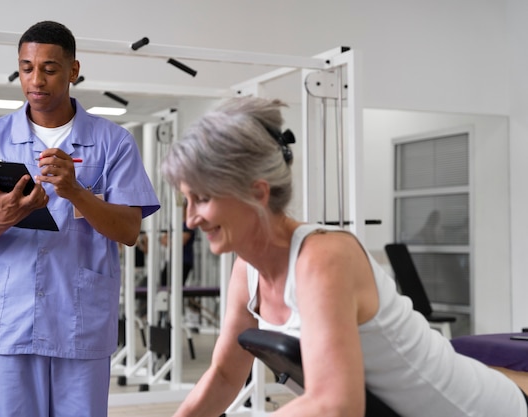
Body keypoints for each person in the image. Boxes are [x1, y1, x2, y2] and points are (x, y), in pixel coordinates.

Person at [160, 96, 528, 417]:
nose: (190, 218)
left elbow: (336, 406)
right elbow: (225, 375)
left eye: (203, 199)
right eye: (186, 200)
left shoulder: (323, 257)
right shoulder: (247, 271)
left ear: (257, 193)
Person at [0, 21, 160, 417]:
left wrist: (76, 191)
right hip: (8, 326)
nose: (35, 80)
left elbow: (128, 230)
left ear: (73, 70)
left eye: (50, 68)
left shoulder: (113, 143)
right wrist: (3, 217)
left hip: (80, 324)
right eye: (26, 68)